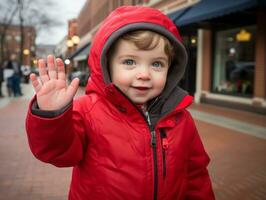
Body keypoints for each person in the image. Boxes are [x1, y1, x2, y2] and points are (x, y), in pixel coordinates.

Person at [26, 6, 215, 200]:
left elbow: (196, 175)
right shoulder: (88, 111)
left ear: (171, 69)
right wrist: (52, 115)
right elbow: (57, 152)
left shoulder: (181, 119)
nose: (144, 74)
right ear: (107, 65)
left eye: (157, 64)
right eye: (129, 62)